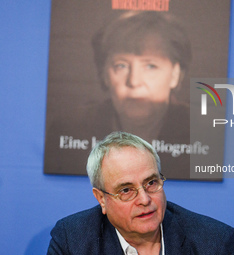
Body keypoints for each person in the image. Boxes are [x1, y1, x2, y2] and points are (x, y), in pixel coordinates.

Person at [44, 11, 193, 179]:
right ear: (105, 74)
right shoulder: (69, 129)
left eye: (150, 66)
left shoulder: (202, 134)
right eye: (121, 65)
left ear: (175, 75)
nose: (134, 81)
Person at [47, 131, 234, 254]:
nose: (145, 199)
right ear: (101, 199)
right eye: (126, 190)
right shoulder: (72, 241)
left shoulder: (214, 244)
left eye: (151, 182)